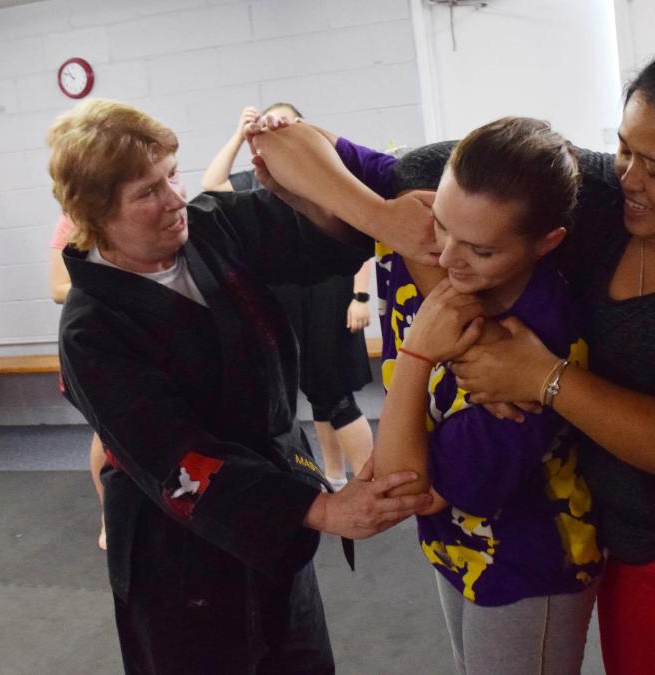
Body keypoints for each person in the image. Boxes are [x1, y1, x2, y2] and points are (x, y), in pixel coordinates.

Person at [248, 34, 655, 675]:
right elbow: (310, 150)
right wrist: (385, 220)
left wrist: (544, 377)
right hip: (636, 543)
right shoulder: (595, 194)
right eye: (626, 148)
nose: (628, 175)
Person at [47, 98, 433, 675]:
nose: (175, 198)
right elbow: (179, 462)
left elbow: (325, 237)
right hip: (180, 553)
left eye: (171, 174)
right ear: (95, 215)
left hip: (275, 515)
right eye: (147, 192)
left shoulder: (212, 226)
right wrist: (320, 510)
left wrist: (302, 167)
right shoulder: (92, 329)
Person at [252, 116, 602, 675]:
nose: (448, 256)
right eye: (442, 224)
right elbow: (274, 139)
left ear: (546, 244)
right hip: (453, 549)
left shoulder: (534, 341)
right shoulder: (415, 214)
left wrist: (417, 355)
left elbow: (408, 485)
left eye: (482, 251)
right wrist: (382, 216)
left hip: (527, 565)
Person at [201, 103, 375, 490]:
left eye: (286, 125)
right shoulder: (255, 180)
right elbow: (213, 185)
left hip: (331, 296)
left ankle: (370, 478)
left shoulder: (323, 170)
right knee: (317, 396)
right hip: (292, 299)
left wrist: (360, 297)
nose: (276, 130)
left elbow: (361, 229)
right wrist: (239, 135)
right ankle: (334, 475)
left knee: (335, 394)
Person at [49, 214, 109, 550]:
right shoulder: (71, 223)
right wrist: (114, 280)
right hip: (97, 339)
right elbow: (57, 289)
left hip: (148, 334)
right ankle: (109, 514)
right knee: (107, 432)